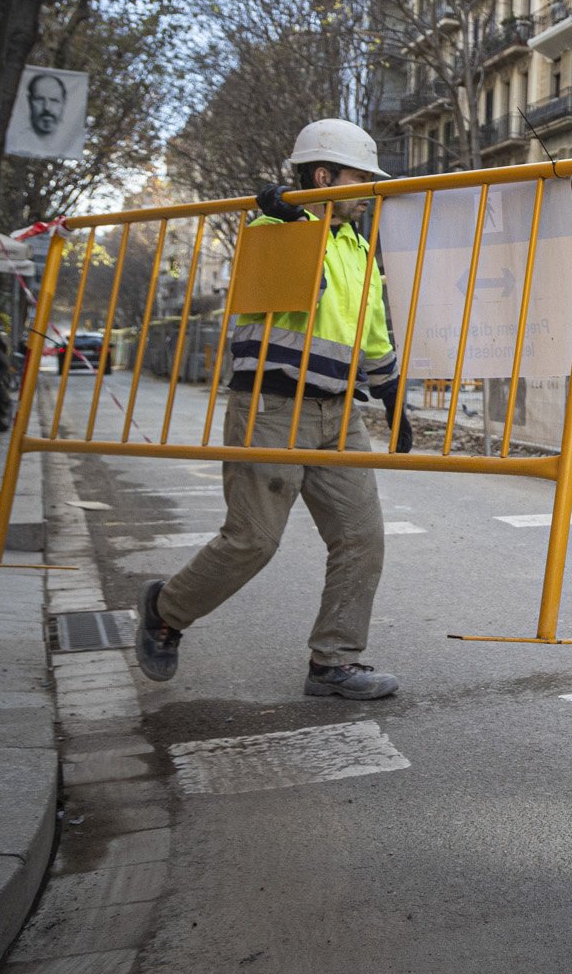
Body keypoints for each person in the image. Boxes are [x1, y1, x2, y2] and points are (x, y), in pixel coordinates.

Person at [138, 120, 414, 699]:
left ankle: (333, 662)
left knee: (362, 539)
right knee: (253, 542)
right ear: (322, 176)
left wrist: (393, 399)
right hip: (270, 409)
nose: (368, 191)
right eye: (359, 178)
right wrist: (284, 217)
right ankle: (166, 613)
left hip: (338, 417)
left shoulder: (358, 248)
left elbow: (373, 337)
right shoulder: (273, 229)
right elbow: (270, 243)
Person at [26, 73, 68, 138]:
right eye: (40, 99)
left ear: (64, 103)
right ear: (29, 101)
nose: (47, 108)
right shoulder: (15, 141)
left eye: (54, 100)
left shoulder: (71, 140)